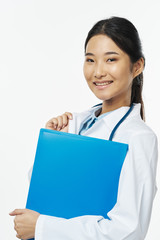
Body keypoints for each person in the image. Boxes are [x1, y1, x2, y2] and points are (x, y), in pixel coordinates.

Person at [10, 16, 158, 240]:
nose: (98, 72)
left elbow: (128, 231)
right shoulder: (75, 123)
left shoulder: (137, 137)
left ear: (137, 66)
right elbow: (44, 192)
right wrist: (53, 146)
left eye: (111, 60)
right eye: (90, 60)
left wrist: (42, 228)